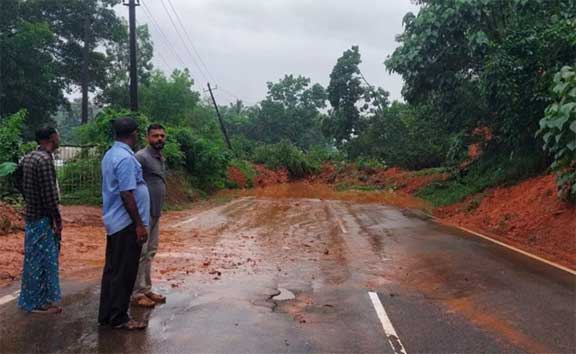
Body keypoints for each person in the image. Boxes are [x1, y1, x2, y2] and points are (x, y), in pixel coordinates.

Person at [98, 117, 150, 330]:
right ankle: (119, 317)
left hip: (115, 222)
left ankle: (107, 314)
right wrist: (139, 224)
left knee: (112, 270)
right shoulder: (125, 159)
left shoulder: (111, 154)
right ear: (134, 134)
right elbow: (127, 194)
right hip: (126, 224)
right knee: (125, 272)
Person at [16, 127, 63, 314]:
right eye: (58, 135)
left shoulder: (29, 157)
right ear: (52, 138)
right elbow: (50, 195)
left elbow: (17, 179)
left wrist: (29, 196)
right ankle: (39, 302)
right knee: (44, 261)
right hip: (43, 218)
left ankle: (33, 299)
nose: (59, 138)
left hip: (33, 216)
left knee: (34, 258)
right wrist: (57, 220)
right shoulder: (44, 160)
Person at [132, 124, 168, 307]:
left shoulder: (159, 157)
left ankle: (146, 289)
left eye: (162, 135)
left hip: (155, 213)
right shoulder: (141, 157)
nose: (159, 139)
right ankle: (136, 293)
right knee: (141, 252)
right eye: (155, 136)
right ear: (148, 137)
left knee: (150, 252)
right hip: (143, 215)